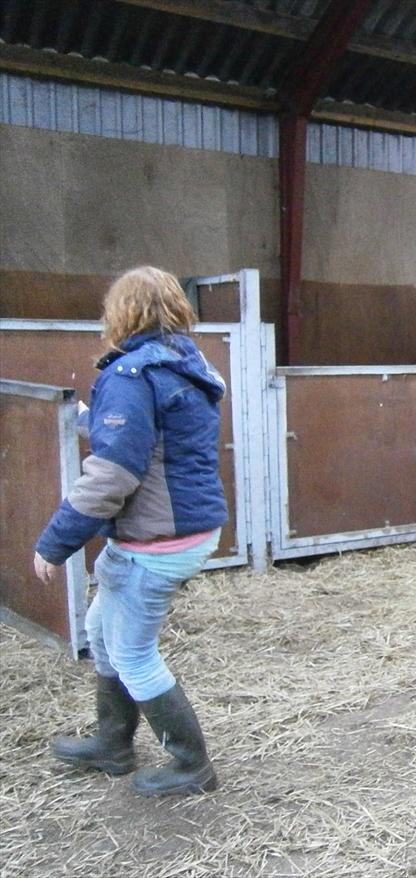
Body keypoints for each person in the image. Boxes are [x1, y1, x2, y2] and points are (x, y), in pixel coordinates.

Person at [33, 265, 228, 797]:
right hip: (174, 528)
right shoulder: (182, 365)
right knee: (101, 633)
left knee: (132, 651)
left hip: (157, 538)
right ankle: (113, 744)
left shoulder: (132, 376)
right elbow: (147, 437)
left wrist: (55, 542)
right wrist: (83, 417)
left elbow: (113, 474)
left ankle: (193, 766)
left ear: (121, 314)